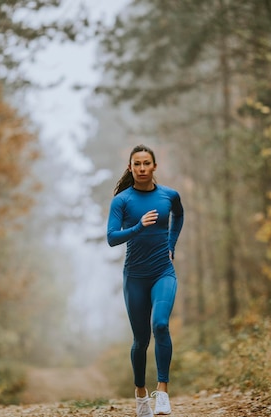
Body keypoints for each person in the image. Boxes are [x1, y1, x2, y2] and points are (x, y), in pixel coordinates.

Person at [107, 144, 184, 416]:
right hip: (135, 278)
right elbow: (111, 238)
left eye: (146, 164)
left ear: (154, 166)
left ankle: (162, 392)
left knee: (161, 325)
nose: (141, 169)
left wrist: (171, 243)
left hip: (163, 271)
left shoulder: (168, 195)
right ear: (130, 168)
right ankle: (141, 394)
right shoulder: (122, 201)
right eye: (136, 164)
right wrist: (139, 226)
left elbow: (179, 214)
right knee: (141, 340)